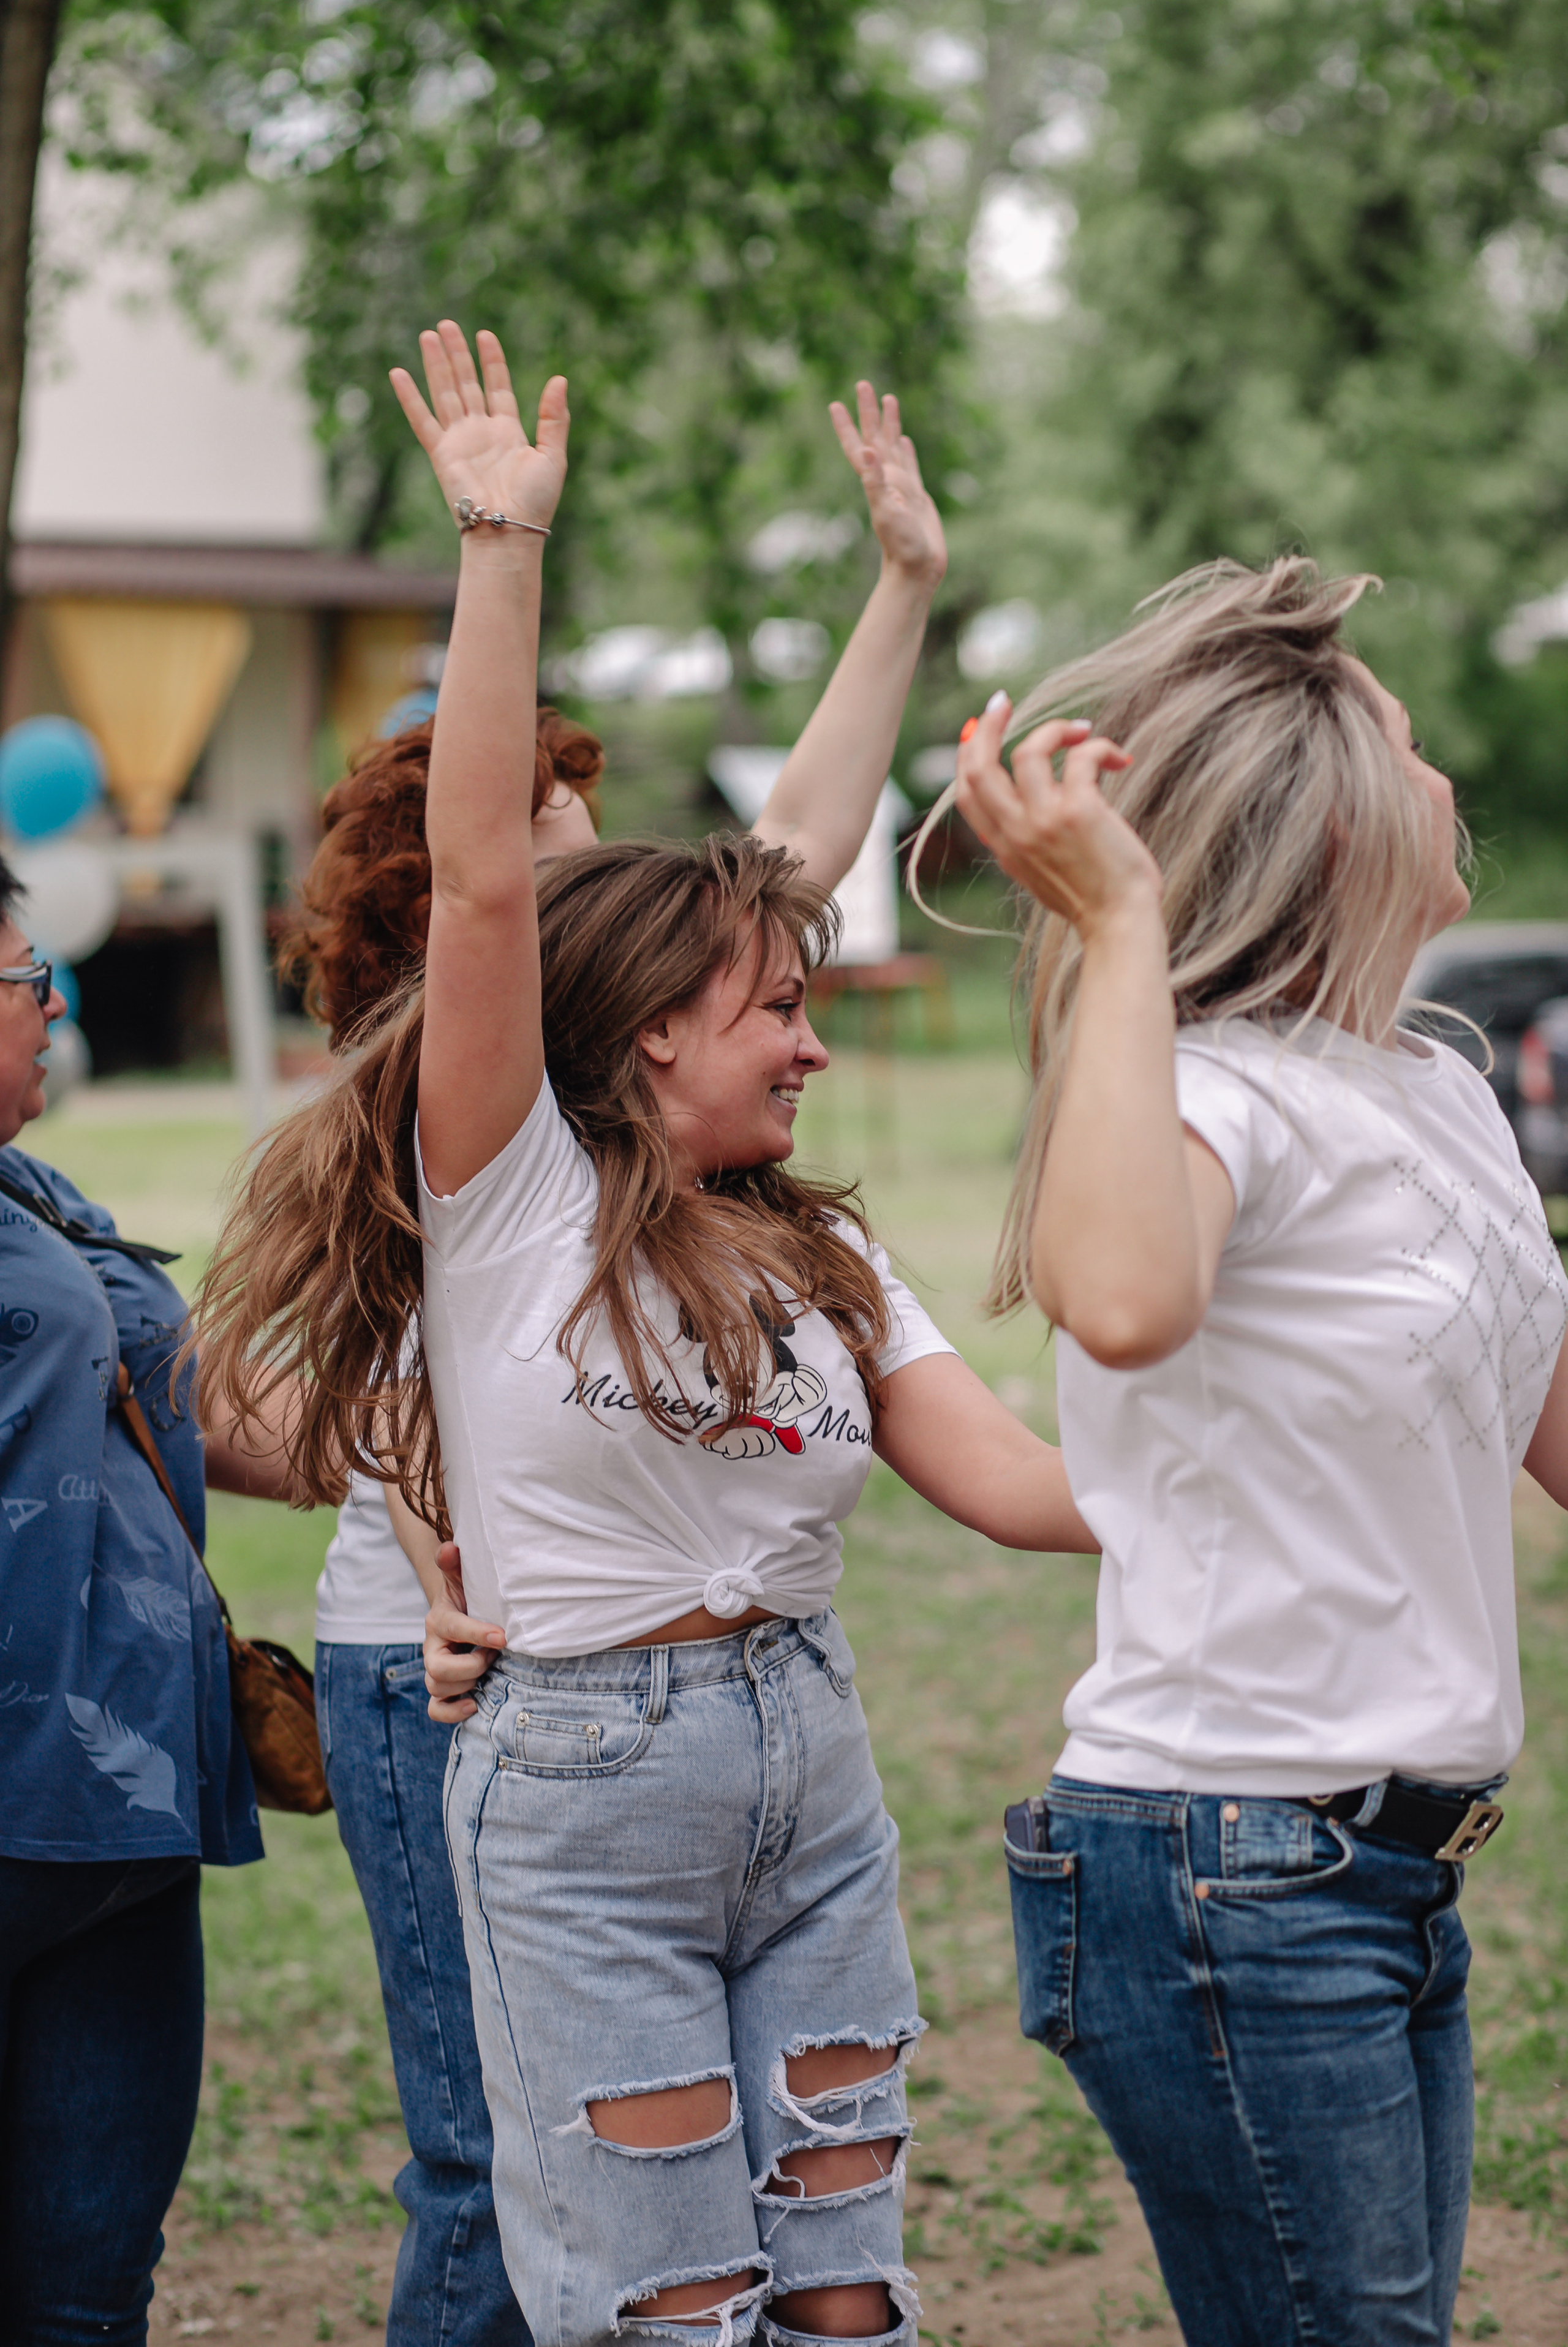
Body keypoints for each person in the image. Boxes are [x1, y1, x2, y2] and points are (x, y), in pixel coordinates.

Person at [196, 321, 1096, 2347]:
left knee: (841, 2287)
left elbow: (1024, 1484)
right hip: (539, 1726)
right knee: (601, 2256)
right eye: (768, 1006)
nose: (806, 1035)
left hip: (801, 1743)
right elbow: (494, 903)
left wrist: (907, 590)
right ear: (631, 1019)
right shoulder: (507, 1187)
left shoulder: (811, 1254)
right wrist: (499, 550)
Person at [945, 557, 1568, 2347]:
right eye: (1407, 737)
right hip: (1231, 1867)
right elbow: (1122, 1305)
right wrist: (1122, 933)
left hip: (1384, 1869)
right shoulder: (1212, 1088)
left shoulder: (1435, 1086)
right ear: (1336, 817)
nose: (1439, 770)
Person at [0, 861, 264, 2344]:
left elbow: (172, 1407)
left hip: (121, 1818)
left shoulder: (39, 1191)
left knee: (88, 2293)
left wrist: (413, 1475)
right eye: (30, 982)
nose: (55, 1008)